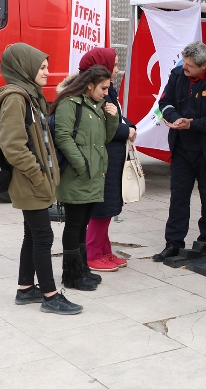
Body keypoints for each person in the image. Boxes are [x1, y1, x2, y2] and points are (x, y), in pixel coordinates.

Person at [0, 43, 82, 314]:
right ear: (25, 68)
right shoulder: (16, 98)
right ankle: (50, 295)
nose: (46, 72)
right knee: (43, 237)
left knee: (32, 236)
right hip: (29, 181)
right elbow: (11, 144)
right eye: (41, 67)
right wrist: (37, 174)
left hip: (35, 180)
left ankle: (25, 288)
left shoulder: (29, 95)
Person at [153, 41, 206, 262]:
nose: (184, 67)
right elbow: (164, 102)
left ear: (203, 65)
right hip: (181, 150)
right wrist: (175, 118)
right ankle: (173, 244)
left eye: (189, 65)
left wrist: (192, 124)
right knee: (178, 199)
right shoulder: (177, 75)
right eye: (184, 63)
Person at [51, 65, 119, 290]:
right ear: (89, 85)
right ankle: (71, 276)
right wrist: (82, 166)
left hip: (92, 176)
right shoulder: (69, 103)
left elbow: (106, 139)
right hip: (77, 176)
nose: (106, 93)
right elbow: (62, 137)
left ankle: (81, 269)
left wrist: (112, 118)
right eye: (103, 88)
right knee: (74, 226)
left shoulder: (97, 105)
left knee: (82, 227)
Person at [69, 49, 137, 272]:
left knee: (108, 207)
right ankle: (93, 253)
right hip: (102, 156)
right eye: (114, 64)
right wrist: (125, 131)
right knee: (101, 209)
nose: (117, 69)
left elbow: (116, 115)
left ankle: (104, 250)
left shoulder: (108, 89)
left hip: (112, 157)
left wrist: (129, 125)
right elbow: (101, 124)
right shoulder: (92, 92)